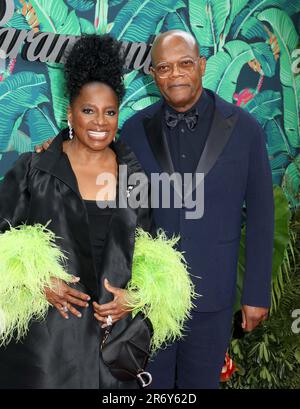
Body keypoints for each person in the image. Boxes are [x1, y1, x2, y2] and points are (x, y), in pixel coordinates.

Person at [119, 30, 274, 389]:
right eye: (164, 67)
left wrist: (255, 294)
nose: (175, 75)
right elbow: (123, 215)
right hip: (151, 299)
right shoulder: (134, 130)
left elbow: (263, 216)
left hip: (214, 296)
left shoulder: (246, 129)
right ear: (153, 74)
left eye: (185, 64)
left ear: (201, 65)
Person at [0, 34, 153, 389]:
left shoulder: (136, 179)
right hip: (44, 356)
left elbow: (150, 255)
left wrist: (136, 297)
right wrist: (34, 279)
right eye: (88, 110)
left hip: (111, 356)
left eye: (110, 111)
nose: (100, 122)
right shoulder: (34, 170)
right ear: (70, 113)